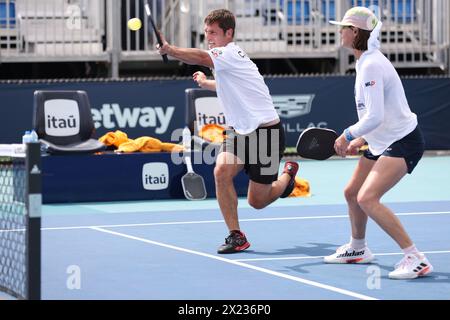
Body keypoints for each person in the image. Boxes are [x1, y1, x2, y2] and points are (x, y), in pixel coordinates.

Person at [156, 9, 299, 254]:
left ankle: (287, 177)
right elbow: (227, 83)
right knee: (221, 171)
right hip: (238, 133)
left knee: (257, 201)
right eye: (206, 32)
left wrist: (170, 50)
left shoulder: (229, 53)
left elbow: (201, 57)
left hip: (266, 134)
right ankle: (236, 235)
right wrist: (206, 83)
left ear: (228, 33)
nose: (208, 37)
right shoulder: (224, 60)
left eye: (213, 32)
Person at [325, 7, 433, 279]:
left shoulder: (372, 63)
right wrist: (361, 138)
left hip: (403, 141)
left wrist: (347, 135)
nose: (340, 32)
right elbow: (375, 116)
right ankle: (358, 248)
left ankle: (415, 257)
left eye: (344, 28)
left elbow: (375, 116)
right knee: (352, 193)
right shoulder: (365, 62)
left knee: (368, 198)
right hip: (382, 141)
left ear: (356, 33)